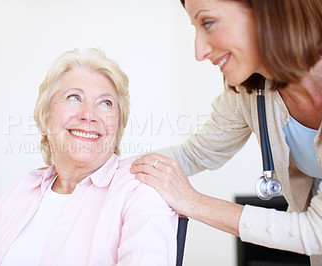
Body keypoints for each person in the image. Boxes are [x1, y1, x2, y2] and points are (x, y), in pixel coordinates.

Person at [0, 48, 178, 266]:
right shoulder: (25, 187)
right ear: (45, 120)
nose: (89, 114)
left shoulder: (140, 190)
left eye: (106, 103)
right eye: (74, 97)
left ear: (118, 126)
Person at [131, 0, 322, 265]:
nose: (199, 51)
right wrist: (104, 168)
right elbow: (194, 154)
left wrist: (192, 202)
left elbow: (316, 231)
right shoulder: (251, 93)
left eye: (207, 23)